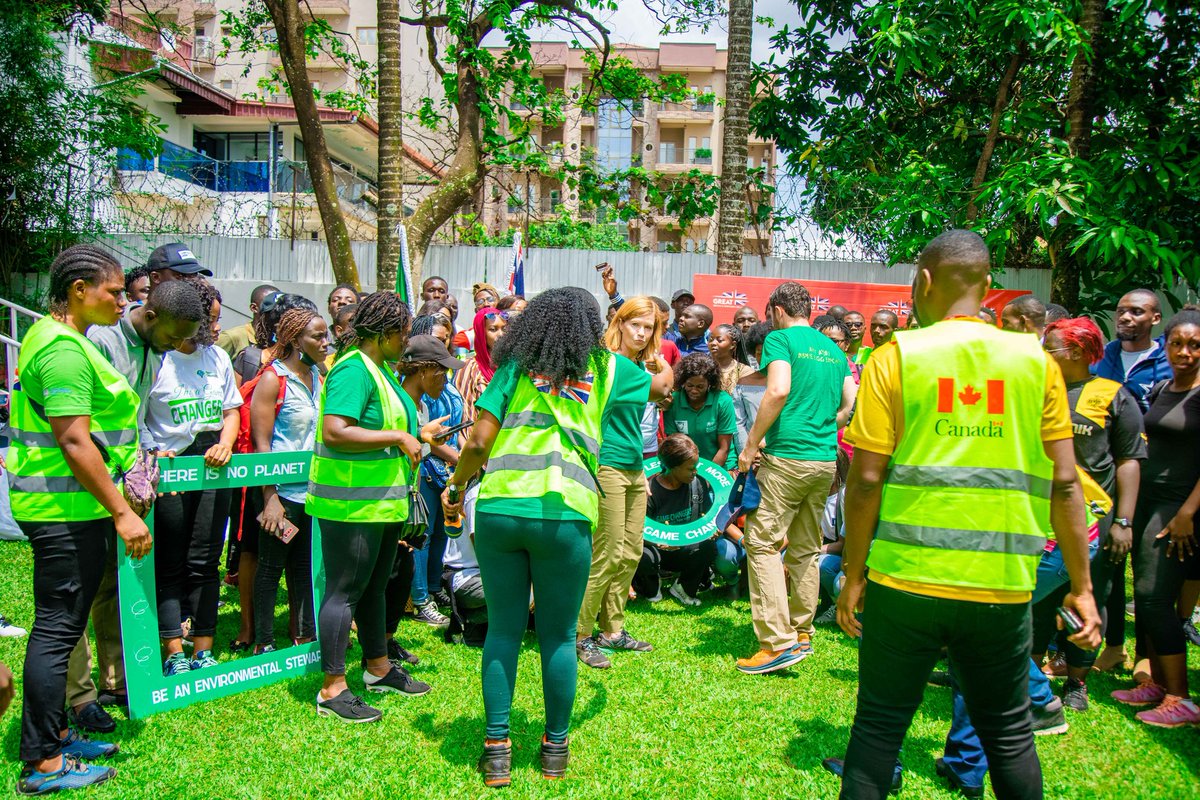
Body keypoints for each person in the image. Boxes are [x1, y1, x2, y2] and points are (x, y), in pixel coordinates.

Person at [834, 230, 1100, 800]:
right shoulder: (1036, 362)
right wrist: (1082, 585)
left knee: (879, 727)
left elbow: (866, 481)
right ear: (988, 285)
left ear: (924, 280)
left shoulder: (895, 357)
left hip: (903, 581)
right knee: (1008, 733)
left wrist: (854, 575)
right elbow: (1065, 485)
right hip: (1001, 585)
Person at [441, 287, 617, 787]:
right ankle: (555, 751)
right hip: (565, 514)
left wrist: (455, 488)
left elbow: (477, 441)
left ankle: (497, 751)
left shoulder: (512, 371)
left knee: (503, 630)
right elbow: (661, 379)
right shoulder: (605, 372)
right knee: (559, 636)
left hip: (499, 509)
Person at [7, 244, 153, 793]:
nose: (124, 300)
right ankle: (42, 761)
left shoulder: (66, 340)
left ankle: (57, 735)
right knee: (56, 630)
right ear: (78, 291)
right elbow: (73, 439)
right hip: (64, 509)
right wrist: (122, 511)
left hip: (75, 506)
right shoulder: (63, 351)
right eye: (114, 291)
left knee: (60, 627)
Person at [307, 292, 435, 722]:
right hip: (349, 507)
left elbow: (393, 424)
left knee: (375, 589)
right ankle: (332, 687)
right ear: (382, 335)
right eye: (401, 334)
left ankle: (378, 667)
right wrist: (398, 438)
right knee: (344, 593)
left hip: (381, 504)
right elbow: (336, 430)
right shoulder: (352, 370)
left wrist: (416, 434)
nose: (406, 343)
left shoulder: (380, 371)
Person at [81, 278, 205, 718]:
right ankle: (78, 697)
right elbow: (90, 417)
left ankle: (117, 682)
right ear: (150, 316)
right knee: (85, 585)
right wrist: (128, 462)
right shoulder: (103, 340)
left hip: (128, 472)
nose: (177, 346)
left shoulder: (156, 350)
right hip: (91, 476)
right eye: (174, 336)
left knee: (117, 584)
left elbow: (135, 413)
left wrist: (150, 448)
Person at [735, 282, 857, 675]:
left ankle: (776, 642)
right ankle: (801, 633)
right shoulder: (835, 351)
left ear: (776, 308)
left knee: (762, 542)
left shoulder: (781, 340)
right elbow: (848, 406)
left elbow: (778, 389)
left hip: (786, 457)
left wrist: (752, 444)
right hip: (824, 461)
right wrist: (822, 424)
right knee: (806, 547)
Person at [1036, 317, 1145, 710]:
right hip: (1038, 515)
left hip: (1093, 518)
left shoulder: (1113, 395)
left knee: (1087, 596)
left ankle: (1076, 681)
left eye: (1050, 350)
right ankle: (1029, 673)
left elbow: (1129, 460)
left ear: (1078, 353)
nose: (1042, 355)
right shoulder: (1035, 392)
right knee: (1034, 600)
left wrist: (1123, 521)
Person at [145, 280, 241, 675]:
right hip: (168, 468)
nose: (216, 328)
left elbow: (231, 410)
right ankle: (172, 652)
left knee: (205, 559)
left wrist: (226, 443)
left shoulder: (217, 358)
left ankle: (203, 648)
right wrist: (154, 451)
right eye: (211, 320)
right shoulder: (156, 360)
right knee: (169, 560)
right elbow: (136, 416)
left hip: (211, 466)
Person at [1110, 307, 1200, 727]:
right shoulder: (1164, 386)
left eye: (1194, 345)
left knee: (1153, 594)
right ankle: (1157, 686)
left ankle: (1181, 698)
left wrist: (1188, 512)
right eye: (1177, 344)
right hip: (1147, 499)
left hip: (1178, 506)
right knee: (1145, 596)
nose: (1185, 352)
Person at [576, 297, 673, 670]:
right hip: (608, 465)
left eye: (649, 328)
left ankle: (612, 630)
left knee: (631, 551)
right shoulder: (611, 363)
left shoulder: (629, 364)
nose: (642, 333)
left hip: (634, 466)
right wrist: (661, 358)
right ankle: (580, 635)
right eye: (636, 324)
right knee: (607, 553)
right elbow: (664, 386)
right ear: (619, 323)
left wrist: (641, 472)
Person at [1091, 289, 1172, 672]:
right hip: (1110, 474)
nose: (1125, 317)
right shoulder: (1104, 358)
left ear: (1155, 319)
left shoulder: (1168, 361)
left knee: (1145, 568)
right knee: (1109, 560)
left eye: (1136, 312)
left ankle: (1144, 654)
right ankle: (1115, 645)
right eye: (1121, 311)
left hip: (1157, 475)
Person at [250, 308, 327, 655]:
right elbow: (261, 444)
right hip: (281, 494)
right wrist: (270, 497)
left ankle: (305, 636)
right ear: (296, 340)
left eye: (326, 335)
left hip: (312, 493)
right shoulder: (273, 379)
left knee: (304, 567)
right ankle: (264, 642)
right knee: (270, 568)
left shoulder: (319, 378)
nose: (325, 343)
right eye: (318, 337)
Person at [396, 336, 465, 630]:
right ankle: (420, 600)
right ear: (423, 371)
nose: (446, 379)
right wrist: (424, 439)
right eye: (442, 372)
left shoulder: (419, 406)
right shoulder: (400, 404)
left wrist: (426, 439)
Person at [632, 434, 718, 607]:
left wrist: (712, 530)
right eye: (690, 468)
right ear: (672, 467)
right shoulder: (650, 491)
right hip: (656, 549)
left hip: (685, 548)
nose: (695, 472)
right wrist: (657, 542)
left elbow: (708, 516)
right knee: (643, 555)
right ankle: (651, 584)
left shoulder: (697, 483)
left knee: (708, 547)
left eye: (696, 467)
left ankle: (684, 588)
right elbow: (635, 532)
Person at [664, 354, 736, 471]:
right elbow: (674, 446)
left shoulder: (722, 401)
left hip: (720, 464)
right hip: (686, 467)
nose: (694, 390)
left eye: (700, 387)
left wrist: (707, 477)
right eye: (689, 385)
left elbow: (724, 449)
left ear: (710, 384)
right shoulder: (674, 401)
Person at [455, 307, 507, 425]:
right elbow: (466, 416)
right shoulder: (471, 368)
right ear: (481, 333)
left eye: (504, 329)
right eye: (493, 329)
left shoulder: (510, 366)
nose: (501, 334)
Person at [732, 322, 771, 454]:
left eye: (769, 352)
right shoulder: (744, 383)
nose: (764, 357)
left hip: (783, 454)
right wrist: (748, 452)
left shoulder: (793, 382)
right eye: (759, 352)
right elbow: (739, 423)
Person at [217, 284, 279, 359]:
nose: (277, 313)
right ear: (254, 308)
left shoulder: (279, 339)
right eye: (271, 307)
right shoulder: (232, 337)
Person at [145, 242, 213, 289]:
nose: (192, 282)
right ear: (156, 277)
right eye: (181, 276)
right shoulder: (138, 309)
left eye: (194, 275)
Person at [710, 324, 755, 394]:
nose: (713, 343)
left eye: (719, 340)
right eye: (711, 339)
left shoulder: (744, 372)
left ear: (733, 345)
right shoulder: (703, 368)